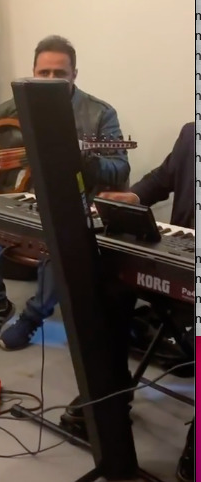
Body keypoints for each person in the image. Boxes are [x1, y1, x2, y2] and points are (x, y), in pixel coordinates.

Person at [0, 35, 131, 352]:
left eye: (59, 74)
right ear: (33, 73)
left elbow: (120, 168)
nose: (51, 80)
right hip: (23, 202)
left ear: (74, 75)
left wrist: (85, 160)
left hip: (72, 206)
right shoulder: (19, 103)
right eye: (44, 73)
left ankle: (32, 318)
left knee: (63, 237)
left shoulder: (100, 113)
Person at [62, 122, 195, 482]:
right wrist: (133, 197)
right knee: (108, 285)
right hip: (180, 261)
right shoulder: (191, 133)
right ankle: (111, 393)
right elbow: (161, 179)